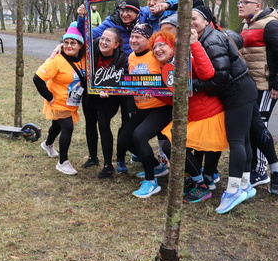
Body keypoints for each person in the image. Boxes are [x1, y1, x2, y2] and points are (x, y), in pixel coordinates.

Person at [190, 5, 258, 214]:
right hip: (240, 89)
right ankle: (245, 184)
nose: (191, 22)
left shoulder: (212, 40)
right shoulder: (205, 38)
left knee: (237, 140)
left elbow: (219, 76)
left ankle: (233, 190)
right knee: (243, 139)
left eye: (194, 18)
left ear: (206, 20)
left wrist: (192, 87)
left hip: (238, 91)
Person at [147, 29, 227, 203]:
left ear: (173, 47)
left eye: (162, 45)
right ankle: (195, 180)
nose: (158, 49)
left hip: (208, 116)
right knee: (170, 145)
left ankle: (201, 186)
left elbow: (207, 74)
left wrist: (194, 43)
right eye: (154, 47)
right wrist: (154, 92)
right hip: (192, 118)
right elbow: (174, 101)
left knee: (172, 145)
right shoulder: (166, 69)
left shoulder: (186, 61)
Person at [238, 0, 278, 195]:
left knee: (259, 126)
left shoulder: (271, 25)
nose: (240, 5)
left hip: (265, 86)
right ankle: (255, 168)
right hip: (249, 85)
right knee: (251, 127)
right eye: (239, 2)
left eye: (245, 2)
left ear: (257, 6)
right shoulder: (248, 24)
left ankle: (263, 171)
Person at [117, 24, 171, 198]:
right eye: (132, 37)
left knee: (139, 136)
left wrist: (156, 88)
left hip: (161, 107)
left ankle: (151, 181)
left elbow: (170, 78)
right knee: (125, 139)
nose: (133, 40)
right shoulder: (131, 57)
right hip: (142, 108)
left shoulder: (156, 55)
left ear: (149, 40)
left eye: (138, 37)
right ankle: (156, 166)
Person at [34, 25, 87, 175]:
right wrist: (49, 97)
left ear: (80, 45)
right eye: (66, 43)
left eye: (73, 43)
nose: (69, 46)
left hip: (72, 101)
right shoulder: (56, 60)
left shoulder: (83, 58)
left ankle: (47, 144)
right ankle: (63, 162)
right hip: (58, 101)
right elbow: (37, 78)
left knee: (57, 125)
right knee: (67, 127)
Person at [80, 28, 128, 178]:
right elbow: (74, 43)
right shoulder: (92, 49)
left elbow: (121, 80)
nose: (103, 42)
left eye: (108, 40)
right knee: (90, 123)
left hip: (109, 96)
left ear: (116, 44)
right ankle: (92, 157)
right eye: (102, 38)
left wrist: (109, 89)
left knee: (103, 124)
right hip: (90, 93)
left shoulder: (120, 58)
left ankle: (108, 165)